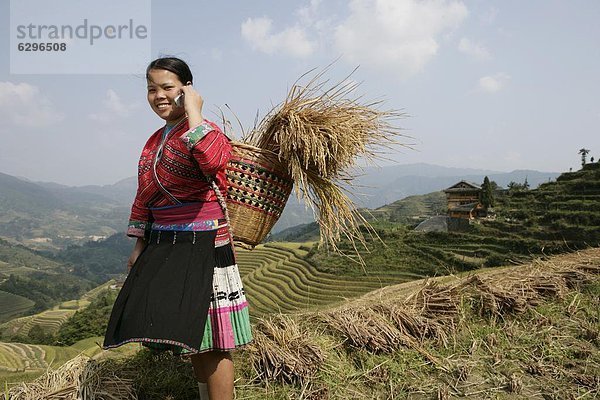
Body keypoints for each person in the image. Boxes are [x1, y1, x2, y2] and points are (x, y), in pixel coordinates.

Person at [103, 56, 252, 400]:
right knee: (192, 336)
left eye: (167, 87)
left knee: (212, 342)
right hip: (167, 242)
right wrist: (139, 245)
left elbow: (213, 160)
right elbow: (145, 193)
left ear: (186, 89)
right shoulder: (155, 140)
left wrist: (195, 112)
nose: (158, 95)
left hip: (205, 243)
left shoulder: (207, 130)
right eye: (151, 89)